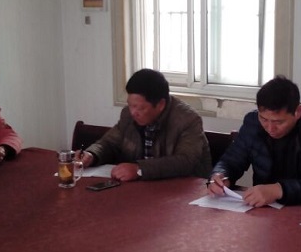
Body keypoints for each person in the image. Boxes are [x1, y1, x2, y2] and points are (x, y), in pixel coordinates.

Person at [207, 76, 301, 207]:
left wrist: (279, 190)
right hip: (269, 208)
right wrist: (220, 175)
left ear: (298, 112)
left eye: (278, 122)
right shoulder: (252, 122)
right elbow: (231, 161)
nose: (270, 128)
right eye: (264, 119)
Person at [78, 68, 211, 181]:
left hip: (181, 189)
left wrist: (139, 169)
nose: (133, 112)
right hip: (142, 188)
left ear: (160, 104)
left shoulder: (187, 119)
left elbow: (185, 162)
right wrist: (91, 155)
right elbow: (110, 143)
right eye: (130, 105)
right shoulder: (127, 115)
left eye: (140, 108)